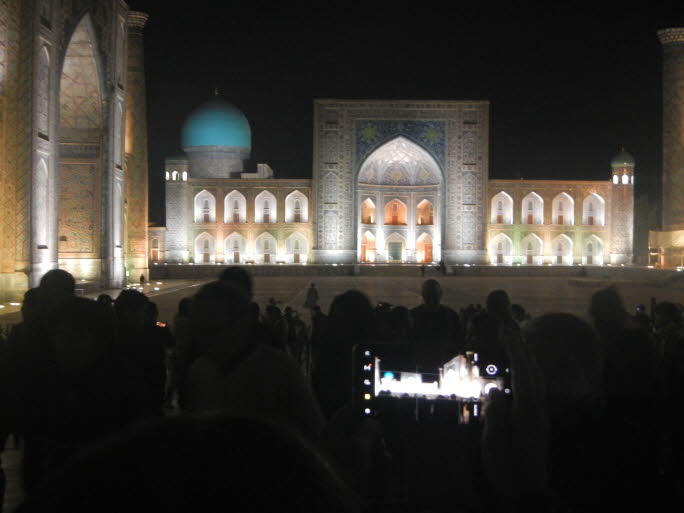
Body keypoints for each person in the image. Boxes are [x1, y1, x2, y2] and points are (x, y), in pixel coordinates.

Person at [180, 281, 324, 442]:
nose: (203, 341)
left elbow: (313, 431)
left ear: (239, 323)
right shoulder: (199, 370)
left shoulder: (277, 370)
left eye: (213, 331)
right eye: (198, 331)